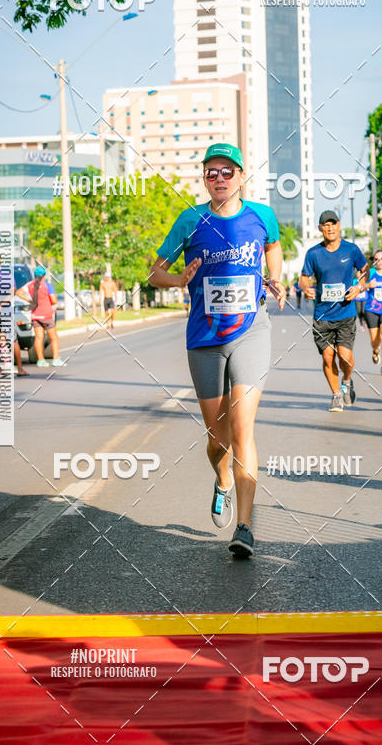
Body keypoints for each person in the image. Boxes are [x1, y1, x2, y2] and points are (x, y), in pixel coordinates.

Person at [148, 142, 285, 559]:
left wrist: (274, 277)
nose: (220, 178)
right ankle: (222, 478)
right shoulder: (190, 220)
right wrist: (181, 279)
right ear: (205, 178)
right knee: (218, 439)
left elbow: (273, 247)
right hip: (205, 339)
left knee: (243, 429)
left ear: (242, 176)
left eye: (228, 171)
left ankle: (244, 526)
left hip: (251, 332)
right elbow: (155, 273)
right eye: (212, 172)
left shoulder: (262, 216)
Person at [299, 211, 368, 412]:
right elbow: (304, 278)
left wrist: (358, 288)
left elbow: (365, 271)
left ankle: (347, 381)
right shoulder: (314, 253)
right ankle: (336, 394)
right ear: (320, 228)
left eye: (333, 224)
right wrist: (306, 288)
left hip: (345, 313)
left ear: (339, 226)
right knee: (328, 357)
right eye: (325, 225)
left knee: (345, 357)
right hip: (322, 315)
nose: (329, 228)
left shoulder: (351, 250)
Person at [16, 265, 65, 368]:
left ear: (35, 275)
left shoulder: (29, 285)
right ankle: (56, 360)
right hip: (46, 315)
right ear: (44, 275)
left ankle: (41, 361)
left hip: (35, 315)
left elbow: (18, 293)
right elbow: (54, 300)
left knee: (39, 338)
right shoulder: (48, 285)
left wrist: (29, 300)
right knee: (54, 337)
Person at [364, 249, 382, 376]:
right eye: (376, 259)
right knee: (375, 340)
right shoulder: (370, 273)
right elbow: (358, 287)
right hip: (371, 309)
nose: (379, 261)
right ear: (374, 262)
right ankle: (376, 350)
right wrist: (368, 286)